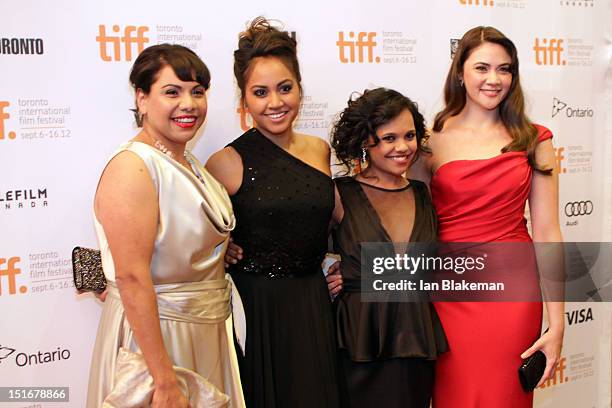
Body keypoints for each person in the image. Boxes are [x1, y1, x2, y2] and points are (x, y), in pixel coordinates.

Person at [411, 26, 564, 407]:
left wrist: (557, 321)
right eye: (482, 67)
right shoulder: (429, 141)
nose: (494, 79)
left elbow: (547, 231)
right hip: (449, 293)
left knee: (502, 395)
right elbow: (410, 223)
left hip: (513, 294)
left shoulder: (535, 140)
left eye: (505, 69)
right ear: (459, 72)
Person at [87, 44, 245, 408]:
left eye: (198, 92)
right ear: (142, 99)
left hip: (205, 330)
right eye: (172, 92)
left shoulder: (186, 160)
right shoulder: (134, 166)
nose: (188, 104)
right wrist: (164, 380)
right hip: (158, 341)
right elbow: (132, 277)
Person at [206, 18, 342, 408]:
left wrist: (354, 265)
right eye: (260, 92)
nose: (275, 102)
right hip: (256, 309)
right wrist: (221, 246)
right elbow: (196, 237)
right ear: (244, 101)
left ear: (300, 88)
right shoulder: (226, 162)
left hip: (312, 302)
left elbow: (330, 220)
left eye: (285, 88)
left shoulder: (319, 150)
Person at [329, 88, 448, 408]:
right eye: (388, 138)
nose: (403, 147)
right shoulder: (340, 194)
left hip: (415, 339)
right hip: (360, 341)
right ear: (364, 141)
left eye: (409, 135)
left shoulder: (424, 194)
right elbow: (296, 249)